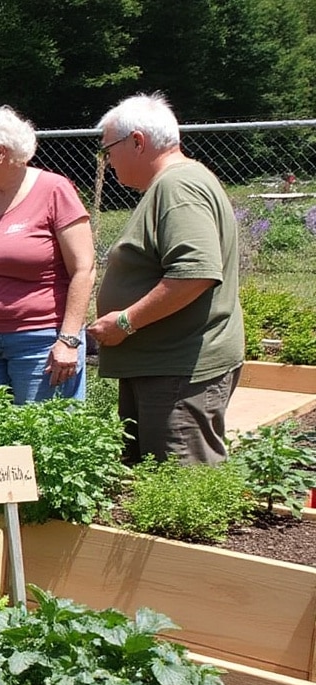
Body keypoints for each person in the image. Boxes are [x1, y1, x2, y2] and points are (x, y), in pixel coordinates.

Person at [87, 92, 244, 465]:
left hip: (178, 369)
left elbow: (196, 272)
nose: (107, 160)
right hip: (164, 364)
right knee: (154, 474)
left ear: (137, 142)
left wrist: (126, 321)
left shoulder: (178, 187)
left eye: (109, 149)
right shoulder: (174, 184)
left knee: (183, 480)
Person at [0, 106, 96, 404]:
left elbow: (84, 269)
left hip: (41, 342)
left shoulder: (55, 190)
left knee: (44, 436)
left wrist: (67, 340)